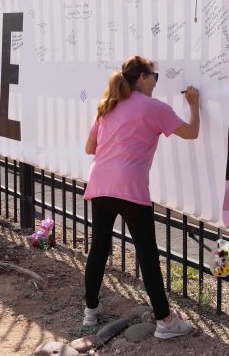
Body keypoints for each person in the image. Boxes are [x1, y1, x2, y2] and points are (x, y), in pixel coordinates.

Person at [82, 55, 200, 339]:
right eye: (155, 77)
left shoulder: (108, 105)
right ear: (143, 78)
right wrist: (194, 106)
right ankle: (165, 321)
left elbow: (90, 148)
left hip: (100, 182)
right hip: (130, 187)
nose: (156, 82)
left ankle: (90, 312)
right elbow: (192, 133)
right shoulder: (154, 108)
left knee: (99, 248)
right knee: (147, 254)